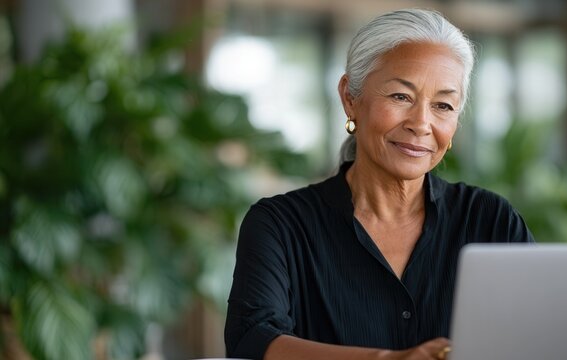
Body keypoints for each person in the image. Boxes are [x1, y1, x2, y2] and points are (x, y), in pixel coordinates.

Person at [224, 8, 535, 360]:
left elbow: (540, 332)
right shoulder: (280, 225)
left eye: (443, 105)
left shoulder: (491, 220)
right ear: (350, 98)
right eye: (400, 97)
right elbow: (251, 339)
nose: (421, 123)